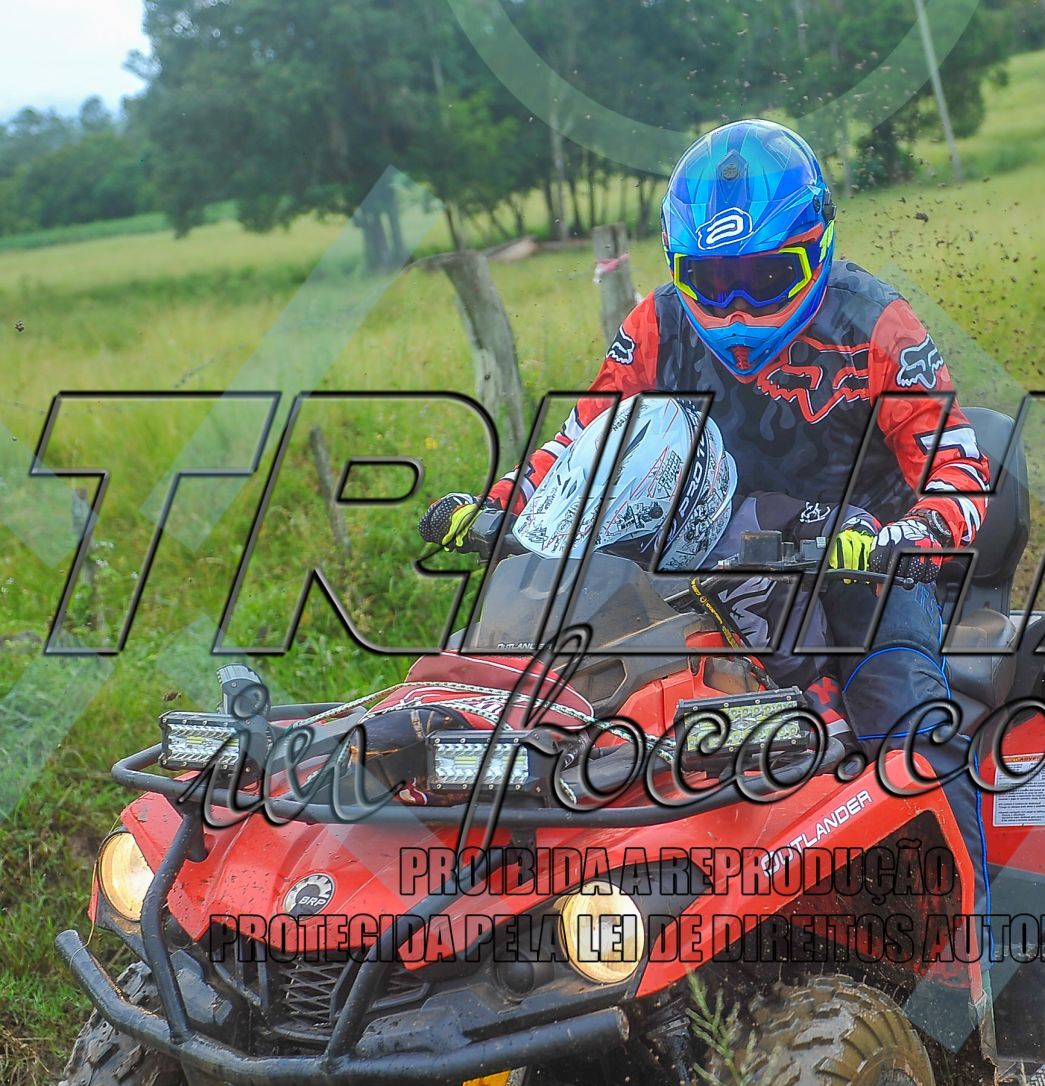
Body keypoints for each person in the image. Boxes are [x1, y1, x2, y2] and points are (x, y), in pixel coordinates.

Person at [421, 119, 991, 909]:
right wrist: (499, 505)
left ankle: (979, 948)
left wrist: (902, 537)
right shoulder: (656, 323)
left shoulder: (876, 324)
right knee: (565, 698)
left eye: (767, 278)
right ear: (678, 269)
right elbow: (584, 438)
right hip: (702, 557)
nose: (737, 308)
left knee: (906, 723)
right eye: (712, 282)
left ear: (818, 247)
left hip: (861, 565)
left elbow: (960, 471)